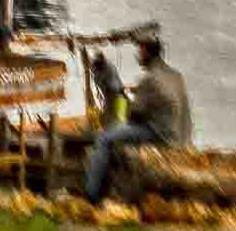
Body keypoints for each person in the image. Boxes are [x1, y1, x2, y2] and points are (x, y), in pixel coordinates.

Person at [82, 37, 193, 202]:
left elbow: (135, 113)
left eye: (140, 52)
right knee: (121, 131)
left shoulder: (149, 78)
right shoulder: (176, 75)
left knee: (104, 138)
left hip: (162, 134)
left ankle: (90, 194)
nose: (138, 56)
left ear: (147, 53)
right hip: (182, 134)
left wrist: (125, 111)